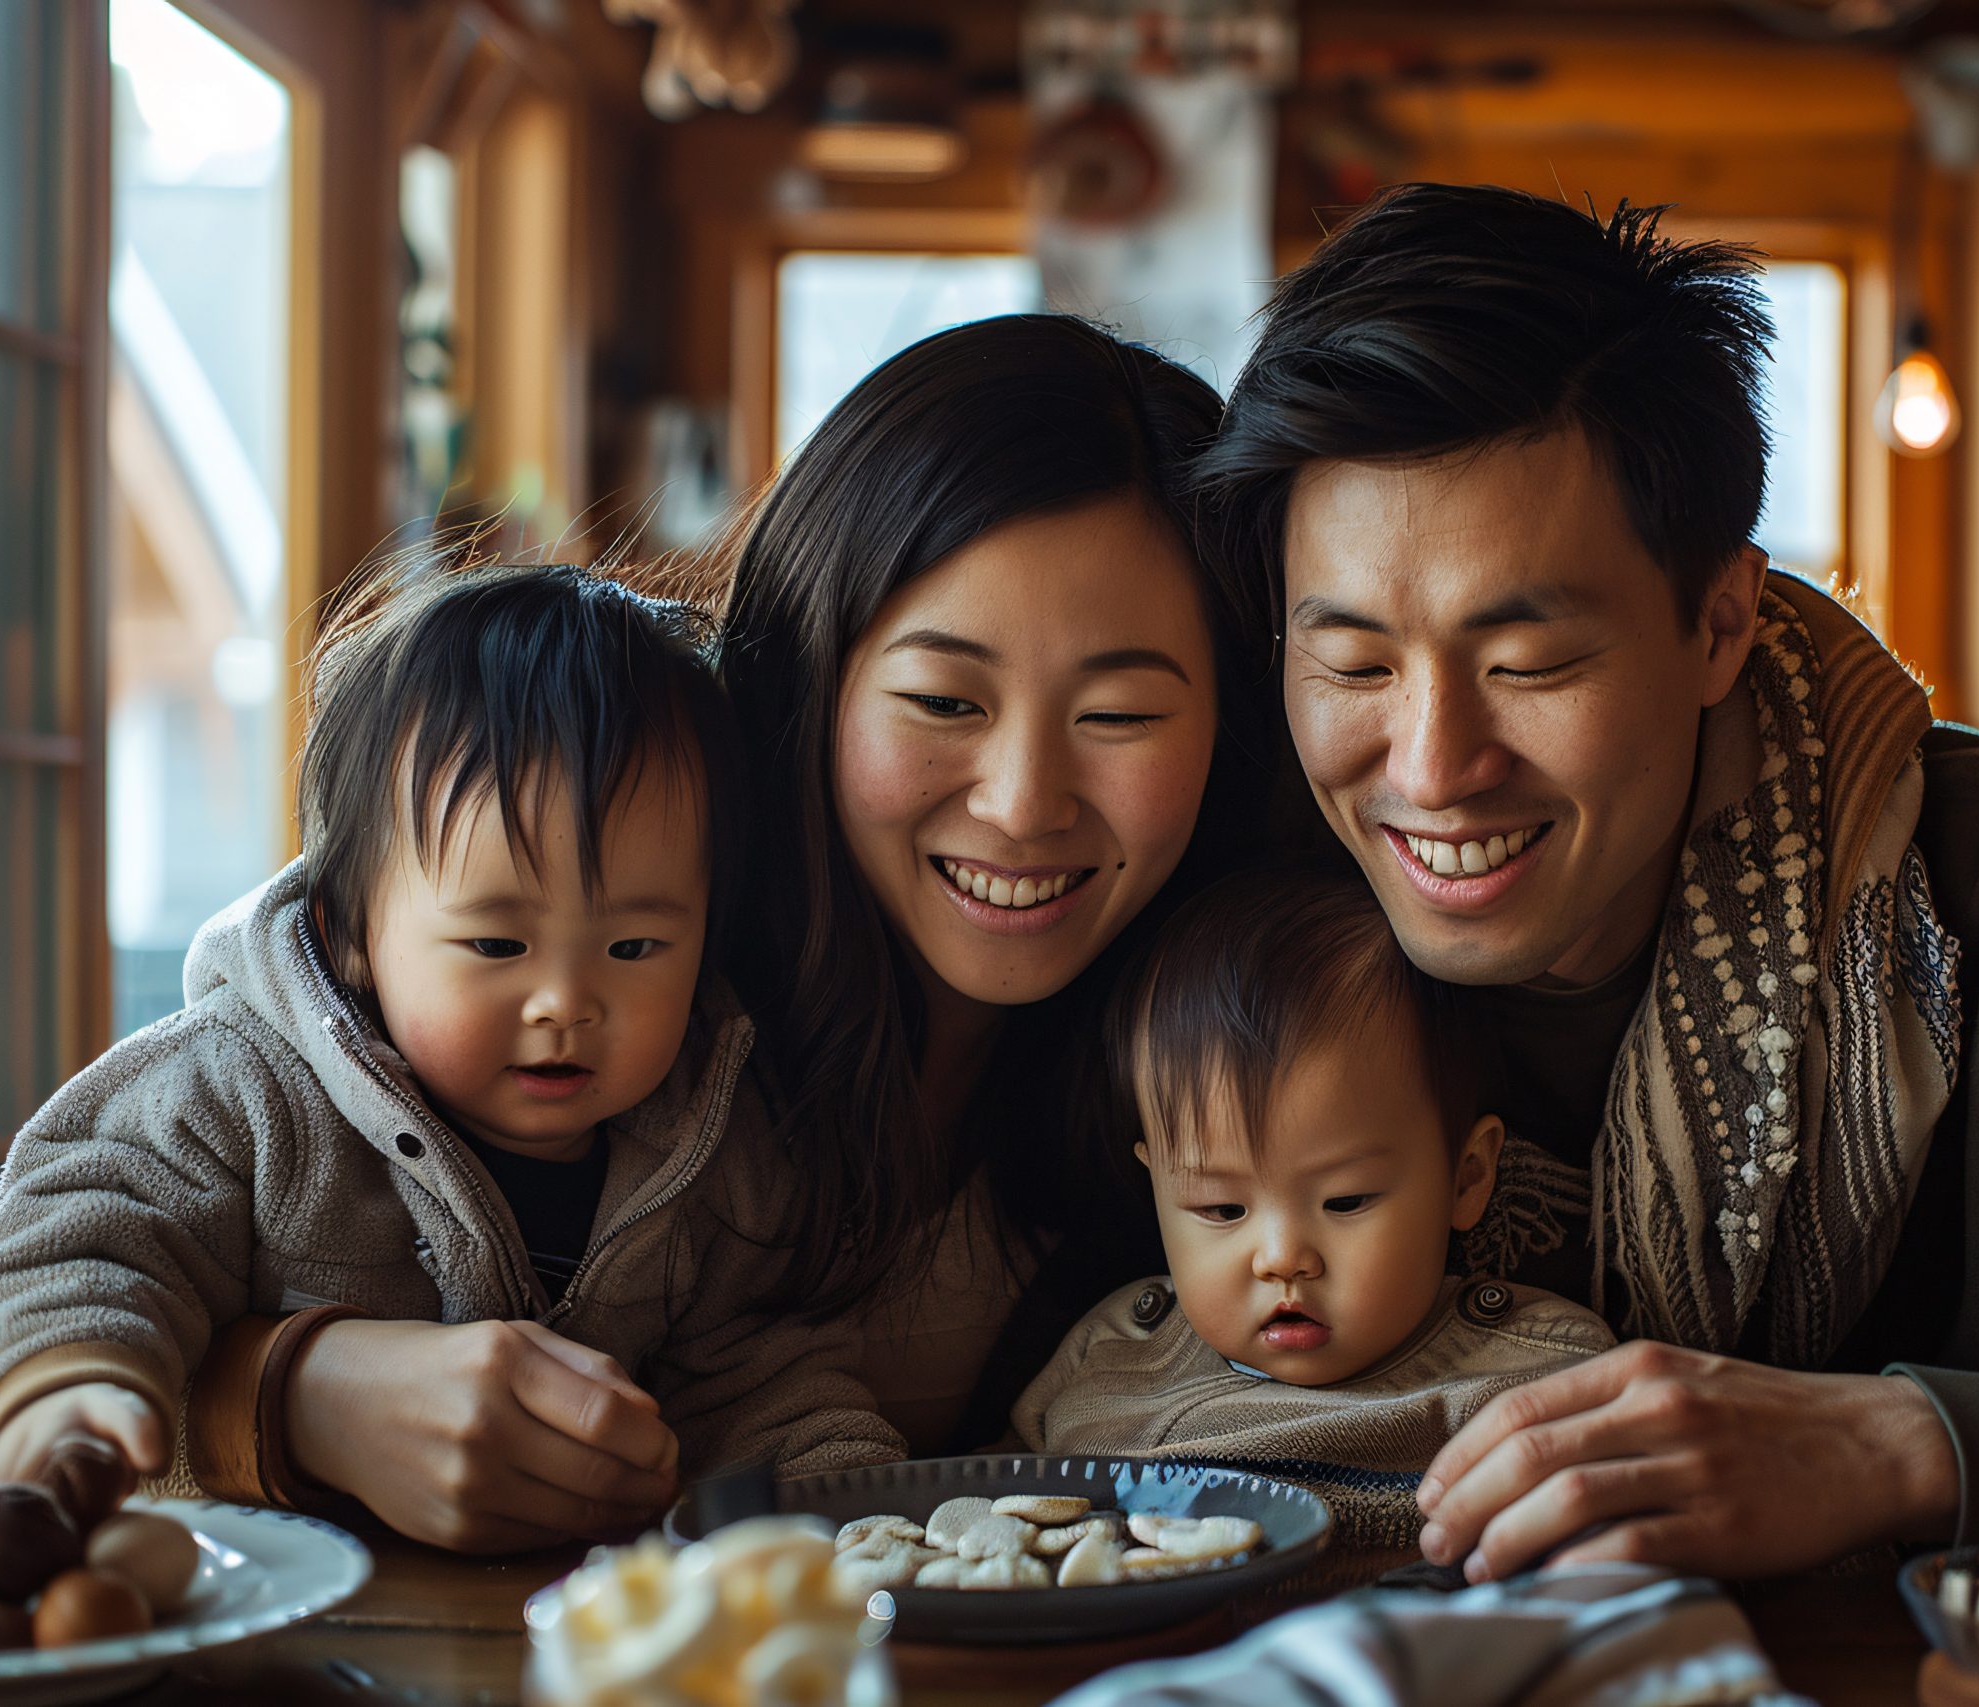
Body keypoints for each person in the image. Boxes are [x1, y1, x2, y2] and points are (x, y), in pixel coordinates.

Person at [1195, 182, 1979, 1587]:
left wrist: (1903, 1447)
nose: (1432, 766)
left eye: (1528, 661)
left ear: (1720, 620)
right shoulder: (1216, 906)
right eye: (1353, 663)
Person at [163, 315, 1272, 1546]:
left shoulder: (1267, 1046)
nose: (1021, 801)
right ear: (811, 679)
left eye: (1119, 714)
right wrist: (295, 1398)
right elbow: (28, 1421)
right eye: (942, 700)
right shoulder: (585, 953)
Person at [0, 562, 903, 1521]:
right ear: (351, 931)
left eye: (634, 945)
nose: (565, 1001)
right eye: (496, 943)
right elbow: (90, 1223)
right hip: (206, 1623)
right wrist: (65, 1393)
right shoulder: (242, 1087)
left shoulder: (718, 1147)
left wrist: (867, 1512)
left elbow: (765, 1381)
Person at [1012, 869, 1615, 1545]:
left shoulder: (1531, 1380)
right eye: (1220, 1208)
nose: (1282, 1256)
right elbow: (989, 1520)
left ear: (1467, 1176)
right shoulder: (1114, 1359)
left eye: (1346, 1199)